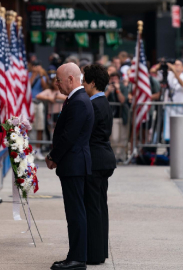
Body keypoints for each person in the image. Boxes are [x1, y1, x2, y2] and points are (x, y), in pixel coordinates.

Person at [46, 63, 94, 270]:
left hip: (74, 164)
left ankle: (77, 259)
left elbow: (69, 136)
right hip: (72, 164)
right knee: (74, 213)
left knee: (76, 213)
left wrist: (53, 156)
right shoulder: (75, 99)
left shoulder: (79, 102)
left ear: (71, 79)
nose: (56, 83)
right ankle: (75, 255)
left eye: (59, 79)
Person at [82, 64, 117, 264]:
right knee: (100, 207)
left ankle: (94, 254)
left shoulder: (93, 105)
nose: (82, 84)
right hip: (104, 159)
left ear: (93, 82)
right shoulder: (103, 102)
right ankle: (100, 250)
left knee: (93, 207)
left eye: (84, 80)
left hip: (95, 161)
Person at [105, 71, 128, 161]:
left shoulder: (123, 87)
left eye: (115, 79)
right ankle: (113, 156)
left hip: (122, 116)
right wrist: (108, 91)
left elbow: (122, 100)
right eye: (112, 79)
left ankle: (121, 157)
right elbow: (102, 99)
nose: (114, 81)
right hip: (112, 117)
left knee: (122, 137)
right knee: (113, 138)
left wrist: (118, 90)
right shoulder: (106, 87)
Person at [29, 60, 49, 160]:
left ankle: (38, 150)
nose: (36, 67)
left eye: (38, 65)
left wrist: (40, 75)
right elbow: (28, 85)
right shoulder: (29, 74)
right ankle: (27, 149)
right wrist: (34, 74)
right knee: (28, 126)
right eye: (34, 65)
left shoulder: (43, 76)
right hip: (30, 103)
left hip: (39, 102)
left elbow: (45, 87)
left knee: (40, 126)